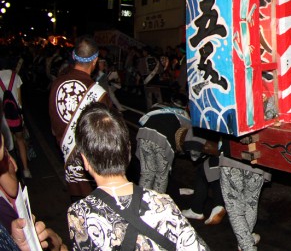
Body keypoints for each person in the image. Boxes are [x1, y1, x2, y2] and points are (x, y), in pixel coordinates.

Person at [67, 102, 210, 250]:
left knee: (147, 174)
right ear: (128, 152)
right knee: (161, 177)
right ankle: (146, 201)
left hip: (144, 136)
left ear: (85, 160)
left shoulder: (77, 214)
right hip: (163, 142)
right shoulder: (165, 207)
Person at [48, 35, 109, 202]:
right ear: (95, 61)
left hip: (69, 164)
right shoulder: (98, 93)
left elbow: (54, 127)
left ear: (74, 56)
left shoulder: (56, 84)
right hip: (93, 172)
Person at [135, 104, 193, 194]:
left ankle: (143, 199)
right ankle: (157, 200)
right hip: (163, 140)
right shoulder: (184, 116)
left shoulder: (161, 106)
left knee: (147, 174)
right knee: (161, 177)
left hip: (144, 134)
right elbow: (185, 137)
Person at [0, 64, 31, 179]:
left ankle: (12, 173)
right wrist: (21, 116)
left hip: (3, 118)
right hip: (15, 115)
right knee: (20, 140)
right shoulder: (15, 76)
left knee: (7, 145)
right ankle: (26, 169)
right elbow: (19, 101)